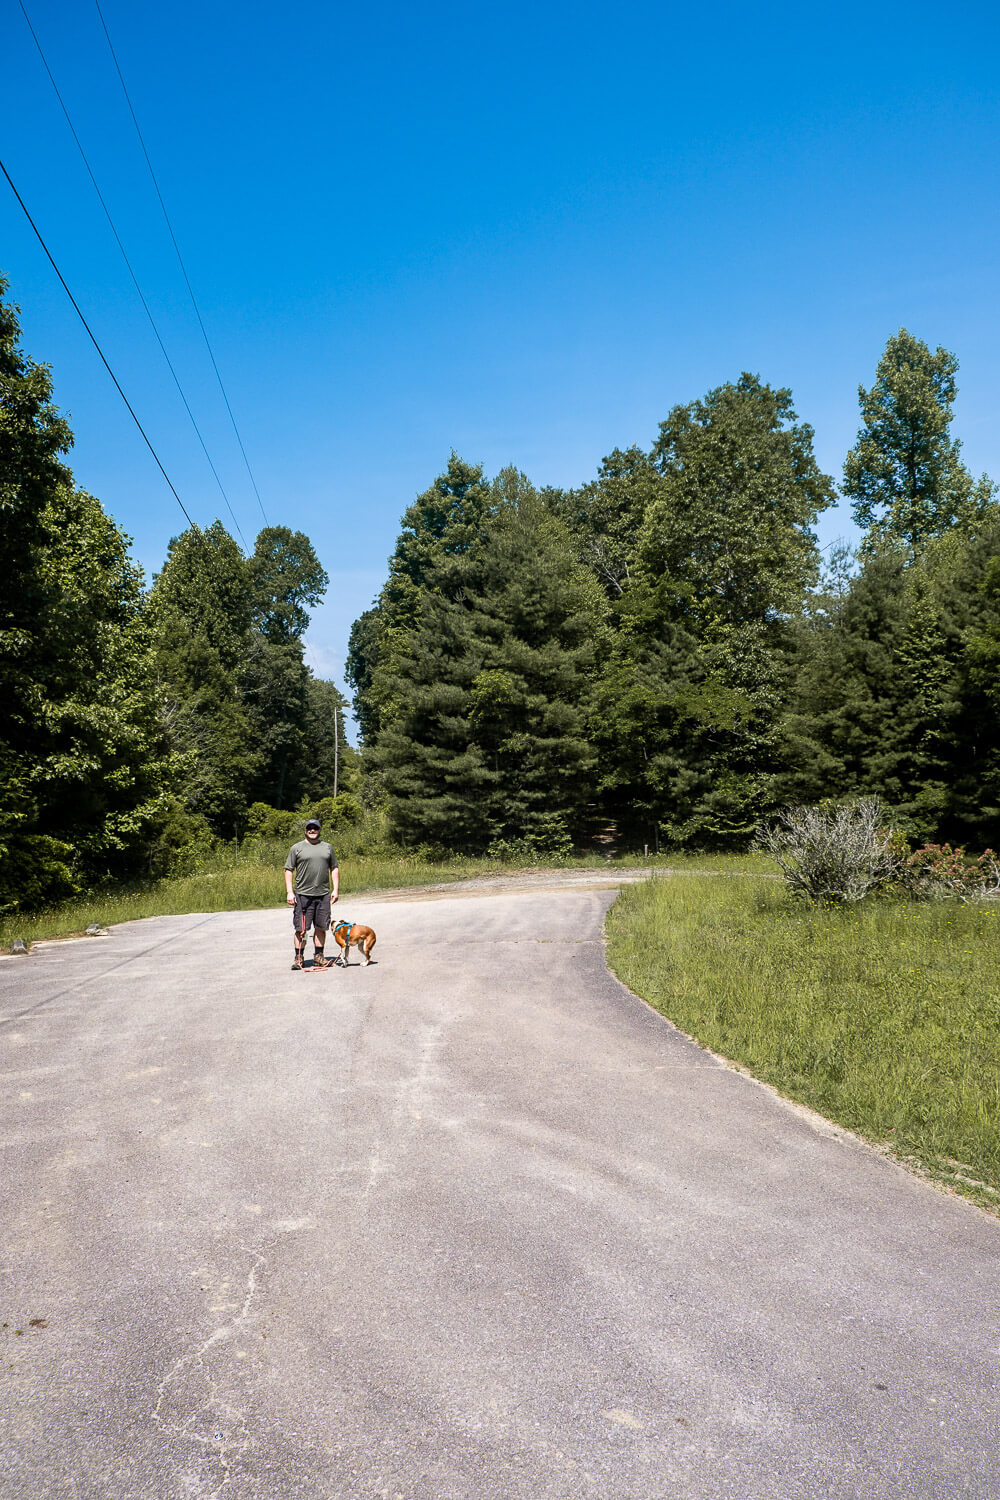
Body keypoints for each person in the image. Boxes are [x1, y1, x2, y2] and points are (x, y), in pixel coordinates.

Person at [284, 817, 339, 971]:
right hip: (302, 895)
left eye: (315, 828)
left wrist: (335, 889)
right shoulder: (296, 848)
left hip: (322, 895)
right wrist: (290, 892)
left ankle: (318, 956)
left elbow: (334, 868)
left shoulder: (327, 847)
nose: (312, 830)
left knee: (321, 927)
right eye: (309, 828)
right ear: (305, 830)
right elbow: (288, 869)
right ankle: (299, 957)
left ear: (320, 830)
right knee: (301, 928)